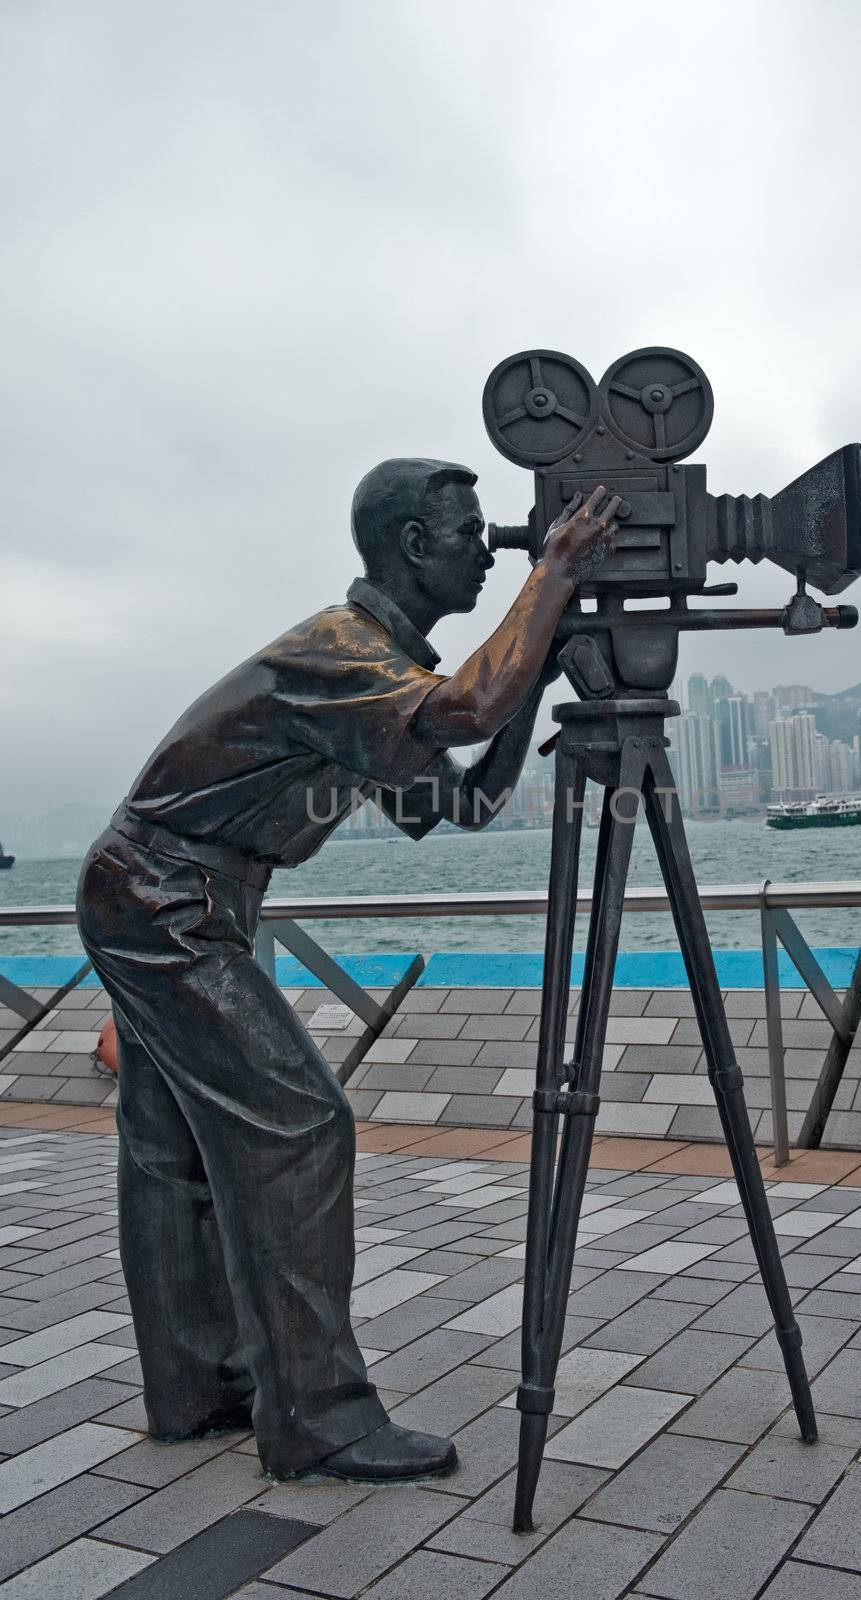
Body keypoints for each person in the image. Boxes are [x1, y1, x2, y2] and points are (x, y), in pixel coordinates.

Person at [76, 462, 620, 1483]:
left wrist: (537, 671)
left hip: (174, 895)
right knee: (300, 1125)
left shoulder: (379, 679)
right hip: (163, 899)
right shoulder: (344, 653)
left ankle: (200, 1386)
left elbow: (455, 803)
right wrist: (550, 577)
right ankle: (318, 1416)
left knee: (176, 1146)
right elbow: (467, 707)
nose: (487, 545)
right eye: (470, 533)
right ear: (416, 546)